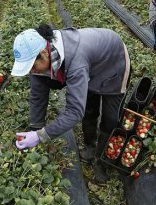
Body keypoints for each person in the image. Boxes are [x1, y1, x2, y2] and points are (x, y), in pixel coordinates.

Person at [11, 25, 131, 182]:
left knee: (110, 118)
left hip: (113, 61)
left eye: (33, 66)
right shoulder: (40, 56)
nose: (32, 71)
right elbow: (37, 95)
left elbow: (75, 111)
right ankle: (90, 146)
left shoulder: (76, 60)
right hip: (91, 64)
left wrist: (41, 136)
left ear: (44, 54)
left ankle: (102, 161)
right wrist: (35, 128)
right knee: (89, 107)